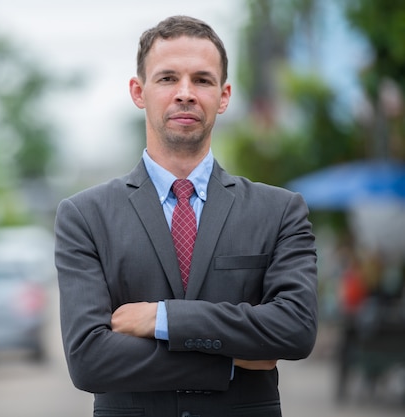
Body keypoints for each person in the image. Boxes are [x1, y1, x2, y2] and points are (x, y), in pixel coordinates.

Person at [54, 15, 318, 417]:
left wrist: (162, 318)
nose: (185, 93)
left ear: (224, 96)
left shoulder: (280, 211)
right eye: (167, 78)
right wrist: (230, 360)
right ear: (138, 91)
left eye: (202, 79)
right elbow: (89, 360)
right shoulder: (85, 216)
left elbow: (295, 330)